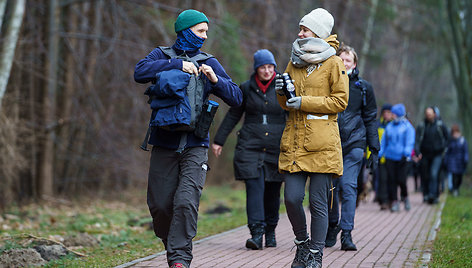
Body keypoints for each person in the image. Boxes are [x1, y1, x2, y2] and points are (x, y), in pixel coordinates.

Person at [133, 9, 242, 268]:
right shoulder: (162, 55)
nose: (204, 37)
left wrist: (217, 80)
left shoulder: (209, 61)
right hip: (163, 143)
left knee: (185, 202)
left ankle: (180, 259)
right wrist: (177, 64)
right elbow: (140, 72)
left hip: (195, 145)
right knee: (159, 206)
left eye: (206, 32)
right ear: (185, 30)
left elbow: (237, 98)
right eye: (200, 31)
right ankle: (173, 243)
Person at [274, 8, 349, 268]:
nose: (300, 33)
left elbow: (340, 101)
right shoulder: (294, 60)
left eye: (305, 29)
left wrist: (303, 102)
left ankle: (316, 255)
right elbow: (285, 103)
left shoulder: (334, 62)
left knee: (319, 204)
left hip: (322, 144)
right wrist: (282, 93)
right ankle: (302, 244)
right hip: (294, 142)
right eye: (300, 28)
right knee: (292, 198)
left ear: (317, 32)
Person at [211, 49, 285, 250]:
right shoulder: (246, 88)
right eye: (263, 67)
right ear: (256, 69)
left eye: (271, 67)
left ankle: (270, 231)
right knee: (254, 188)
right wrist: (219, 140)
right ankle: (256, 233)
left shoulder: (283, 87)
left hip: (276, 148)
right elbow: (233, 116)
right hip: (250, 146)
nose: (268, 71)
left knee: (272, 192)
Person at [325, 44, 379, 251]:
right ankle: (332, 225)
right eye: (342, 59)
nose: (345, 63)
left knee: (348, 187)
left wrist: (374, 147)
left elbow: (370, 118)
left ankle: (346, 233)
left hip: (355, 143)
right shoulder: (327, 83)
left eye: (349, 60)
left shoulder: (364, 88)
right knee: (330, 189)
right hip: (330, 143)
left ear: (354, 64)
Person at [378, 103, 415, 212]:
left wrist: (407, 152)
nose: (391, 115)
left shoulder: (407, 126)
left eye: (393, 113)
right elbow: (384, 142)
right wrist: (380, 153)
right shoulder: (389, 126)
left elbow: (410, 141)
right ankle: (394, 201)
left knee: (401, 180)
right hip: (390, 157)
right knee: (392, 180)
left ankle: (405, 196)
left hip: (403, 158)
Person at [415, 107, 449, 204]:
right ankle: (426, 194)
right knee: (425, 175)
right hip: (425, 154)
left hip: (437, 154)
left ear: (434, 114)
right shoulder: (422, 126)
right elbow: (417, 140)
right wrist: (417, 152)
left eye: (430, 114)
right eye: (427, 114)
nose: (428, 116)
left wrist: (444, 149)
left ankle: (433, 195)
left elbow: (447, 138)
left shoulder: (440, 125)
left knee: (434, 174)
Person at [374, 104, 393, 210]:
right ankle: (383, 200)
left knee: (391, 179)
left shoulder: (394, 125)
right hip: (381, 156)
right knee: (382, 179)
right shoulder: (378, 124)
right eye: (385, 112)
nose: (386, 115)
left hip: (392, 157)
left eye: (389, 112)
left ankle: (391, 199)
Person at [444, 124, 469, 196]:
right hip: (452, 161)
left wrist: (465, 159)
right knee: (454, 176)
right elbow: (448, 152)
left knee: (459, 177)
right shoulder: (451, 141)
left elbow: (465, 151)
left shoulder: (463, 141)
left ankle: (457, 188)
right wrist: (446, 160)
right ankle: (454, 189)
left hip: (461, 161)